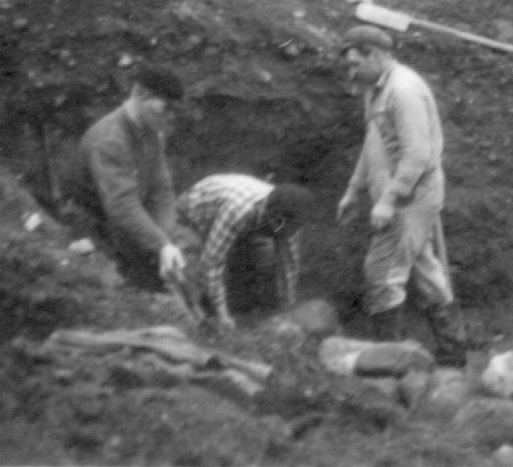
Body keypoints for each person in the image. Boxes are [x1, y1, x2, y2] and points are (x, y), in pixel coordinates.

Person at [335, 25, 464, 357]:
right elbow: (374, 142)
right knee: (425, 272)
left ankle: (389, 364)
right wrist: (354, 190)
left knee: (381, 273)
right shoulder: (375, 89)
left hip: (412, 195)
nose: (351, 71)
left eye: (354, 63)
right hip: (398, 195)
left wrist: (389, 200)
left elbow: (418, 154)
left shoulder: (403, 91)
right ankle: (454, 353)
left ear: (375, 55)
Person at [58, 66, 187, 289]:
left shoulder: (152, 135)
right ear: (141, 94)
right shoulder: (110, 141)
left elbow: (161, 191)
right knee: (122, 289)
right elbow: (121, 206)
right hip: (92, 227)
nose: (170, 116)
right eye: (166, 107)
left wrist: (166, 240)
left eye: (175, 110)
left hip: (125, 225)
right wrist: (161, 245)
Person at [175, 174, 314, 329]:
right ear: (274, 219)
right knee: (191, 274)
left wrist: (287, 313)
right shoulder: (238, 210)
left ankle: (247, 311)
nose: (291, 234)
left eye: (294, 230)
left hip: (244, 224)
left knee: (265, 262)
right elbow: (211, 263)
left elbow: (288, 268)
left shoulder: (290, 220)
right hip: (193, 217)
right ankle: (198, 319)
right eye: (286, 231)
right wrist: (223, 315)